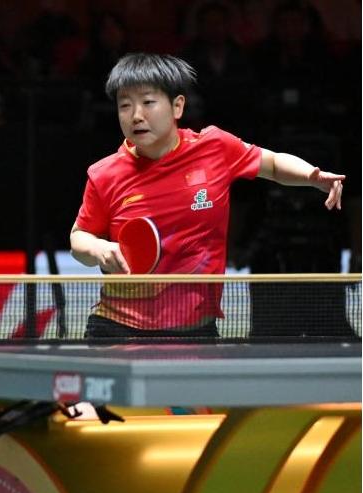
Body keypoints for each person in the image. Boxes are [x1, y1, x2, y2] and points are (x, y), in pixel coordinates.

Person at [69, 53, 343, 338]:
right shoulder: (105, 174)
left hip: (196, 330)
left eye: (148, 102)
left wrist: (311, 175)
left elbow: (271, 164)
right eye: (124, 105)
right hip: (119, 329)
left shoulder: (214, 147)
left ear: (177, 106)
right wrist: (97, 249)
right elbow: (79, 237)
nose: (136, 115)